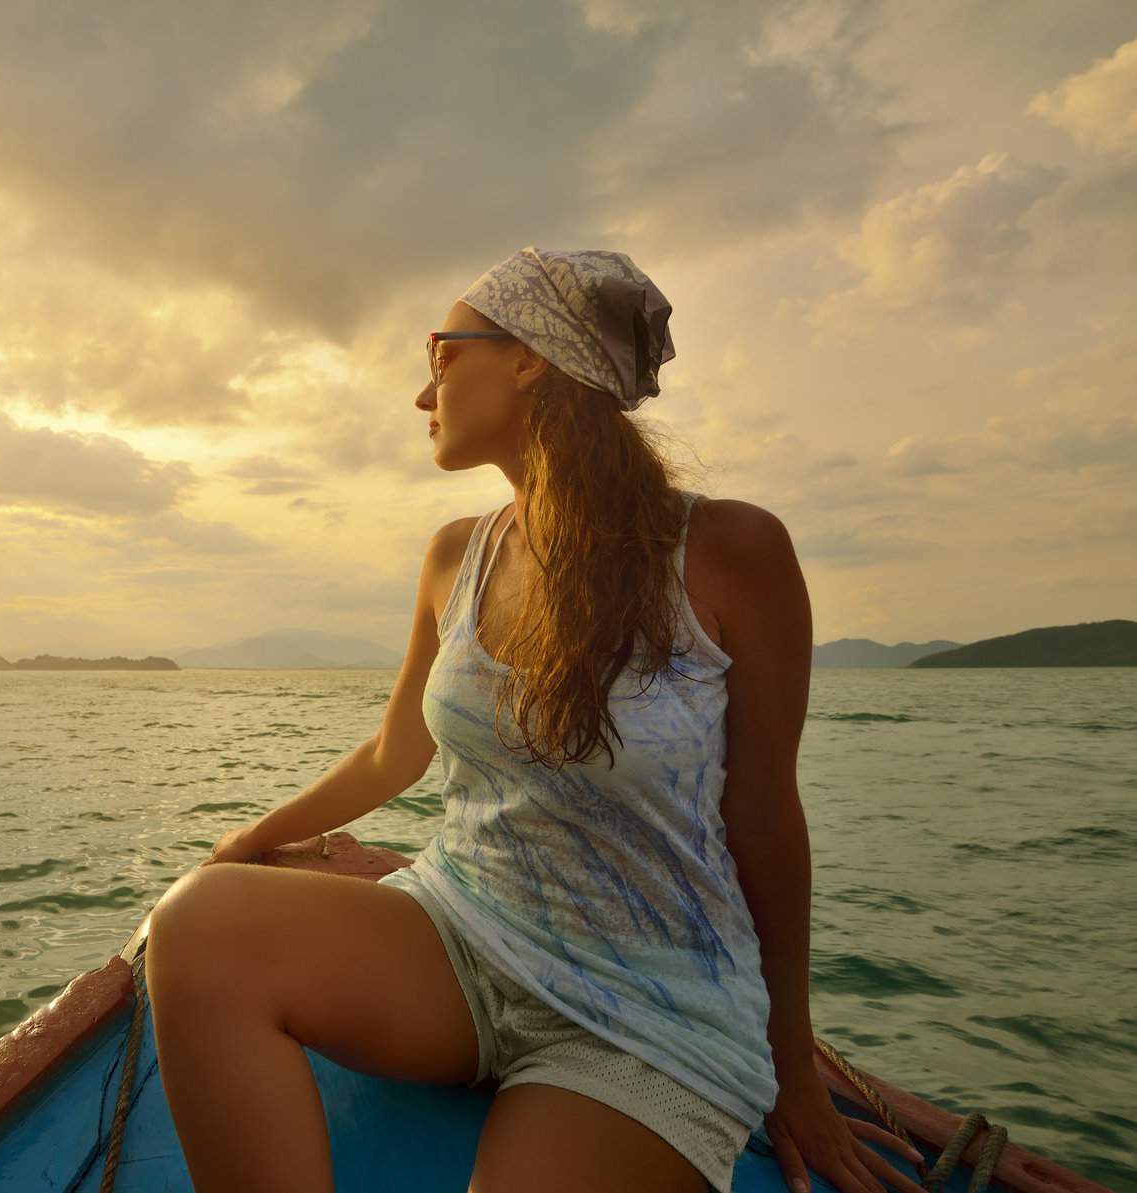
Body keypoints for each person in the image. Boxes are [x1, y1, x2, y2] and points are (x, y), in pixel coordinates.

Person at [142, 248, 925, 1193]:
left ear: (528, 359)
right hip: (463, 932)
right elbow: (399, 750)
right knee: (197, 922)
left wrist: (791, 1064)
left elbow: (764, 817)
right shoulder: (454, 556)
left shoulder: (729, 553)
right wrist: (245, 841)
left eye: (440, 354)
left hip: (645, 1009)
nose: (422, 392)